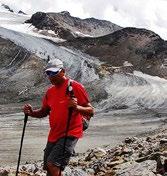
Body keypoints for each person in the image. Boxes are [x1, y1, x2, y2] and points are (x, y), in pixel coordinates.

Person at [23, 59, 94, 176]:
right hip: (55, 133)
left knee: (53, 164)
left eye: (54, 73)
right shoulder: (50, 92)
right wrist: (31, 113)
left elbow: (91, 111)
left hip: (71, 131)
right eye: (48, 73)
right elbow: (44, 112)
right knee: (48, 166)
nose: (51, 76)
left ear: (63, 71)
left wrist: (76, 107)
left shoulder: (75, 86)